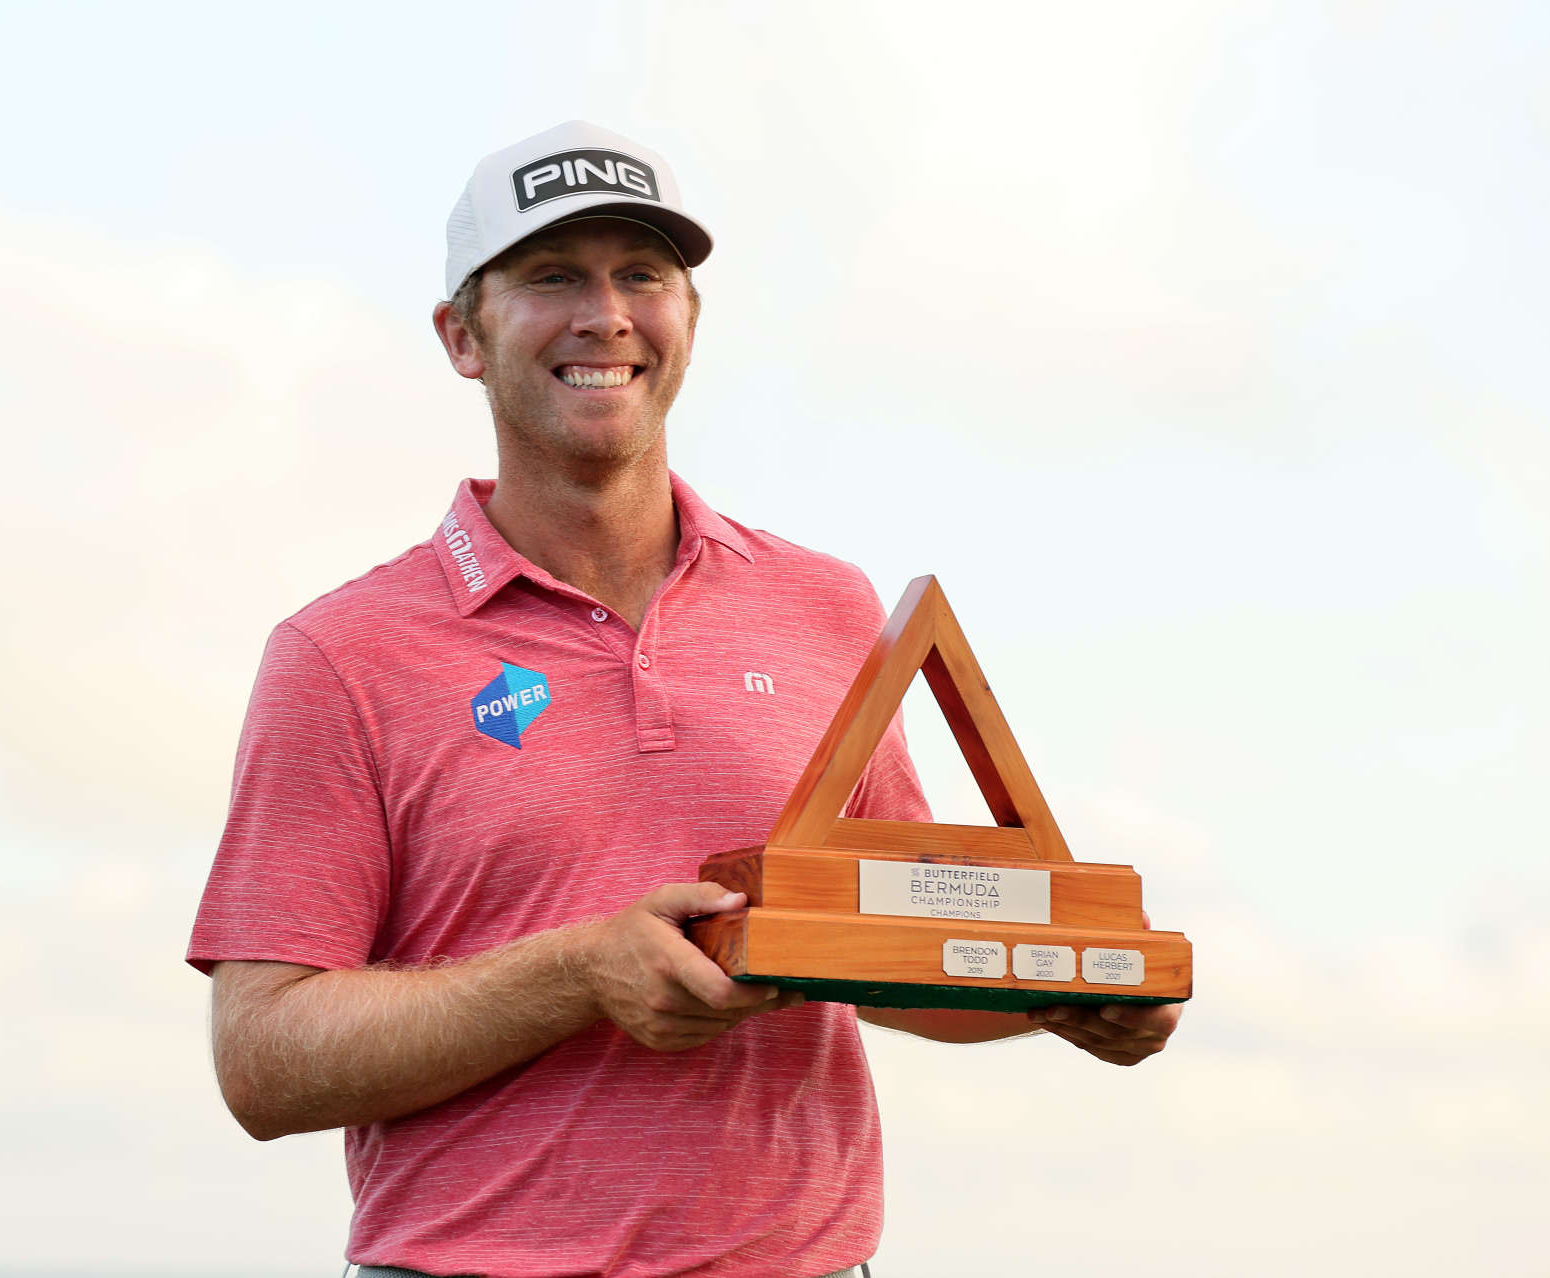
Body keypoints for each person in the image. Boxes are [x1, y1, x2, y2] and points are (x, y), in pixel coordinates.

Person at [187, 121, 1180, 1278]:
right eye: (552, 276)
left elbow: (888, 950)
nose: (605, 314)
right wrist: (574, 974)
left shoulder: (826, 607)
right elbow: (263, 1063)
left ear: (690, 322)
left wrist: (1061, 991)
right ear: (462, 335)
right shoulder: (341, 654)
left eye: (641, 275)